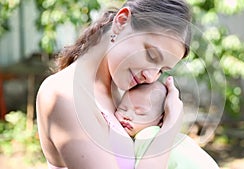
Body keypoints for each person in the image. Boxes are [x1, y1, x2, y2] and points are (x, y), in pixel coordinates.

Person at [36, 0, 219, 168]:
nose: (151, 76)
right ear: (122, 21)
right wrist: (169, 128)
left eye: (162, 70)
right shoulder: (63, 95)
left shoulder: (125, 95)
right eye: (151, 55)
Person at [115, 81, 219, 168]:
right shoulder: (180, 139)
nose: (127, 115)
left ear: (160, 121)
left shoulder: (147, 136)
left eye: (140, 113)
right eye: (123, 109)